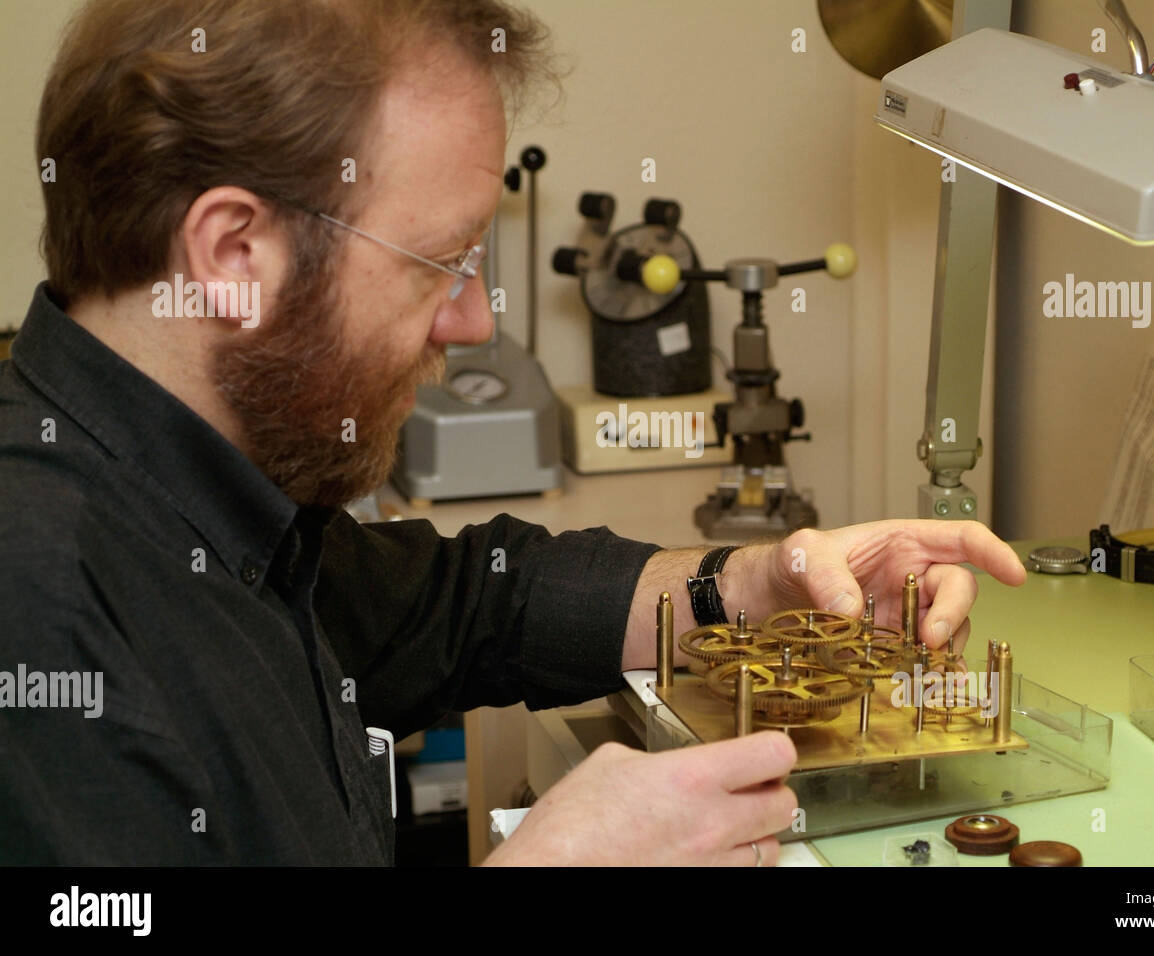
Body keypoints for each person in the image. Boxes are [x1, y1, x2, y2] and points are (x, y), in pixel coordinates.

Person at [0, 0, 1026, 866]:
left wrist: (752, 587)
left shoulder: (214, 496)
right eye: (439, 261)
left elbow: (473, 604)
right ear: (232, 253)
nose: (474, 320)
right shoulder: (39, 603)